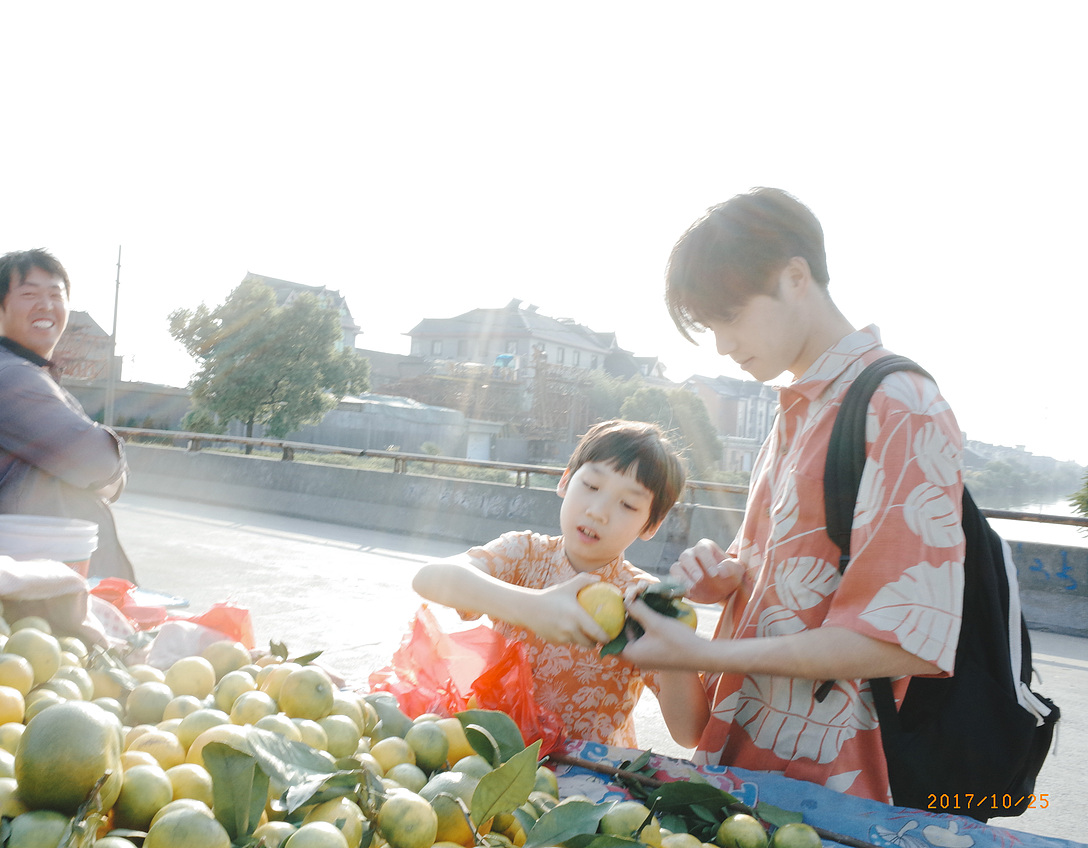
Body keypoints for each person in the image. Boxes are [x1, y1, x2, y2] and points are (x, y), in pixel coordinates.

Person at [619, 187, 965, 803]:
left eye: (729, 316)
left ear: (794, 277)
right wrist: (726, 579)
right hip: (744, 763)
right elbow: (801, 582)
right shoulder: (796, 411)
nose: (722, 344)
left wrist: (702, 649)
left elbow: (899, 638)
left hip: (835, 785)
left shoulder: (900, 406)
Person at [412, 419, 708, 749]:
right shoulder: (523, 554)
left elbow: (690, 732)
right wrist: (533, 608)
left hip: (590, 777)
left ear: (651, 524)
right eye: (592, 487)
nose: (598, 512)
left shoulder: (645, 601)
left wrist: (673, 647)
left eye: (627, 504)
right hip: (493, 753)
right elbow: (429, 579)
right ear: (565, 481)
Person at [0, 248, 136, 582]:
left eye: (56, 294)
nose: (46, 304)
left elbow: (101, 472)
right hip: (43, 579)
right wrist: (106, 471)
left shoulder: (28, 373)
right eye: (29, 294)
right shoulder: (9, 378)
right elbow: (102, 464)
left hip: (56, 568)